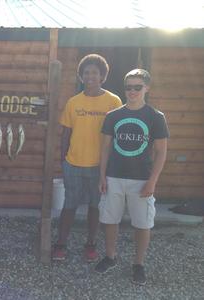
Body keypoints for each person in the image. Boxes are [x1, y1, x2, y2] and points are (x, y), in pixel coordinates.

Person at [95, 69, 169, 285]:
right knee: (109, 220)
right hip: (114, 177)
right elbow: (105, 148)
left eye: (138, 87)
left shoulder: (156, 117)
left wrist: (153, 180)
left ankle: (138, 264)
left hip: (142, 179)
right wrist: (102, 176)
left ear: (147, 88)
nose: (133, 91)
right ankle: (110, 257)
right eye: (129, 87)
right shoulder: (113, 116)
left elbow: (161, 151)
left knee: (142, 223)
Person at [52, 54, 122, 262]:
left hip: (99, 167)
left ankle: (91, 244)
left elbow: (117, 135)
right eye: (86, 73)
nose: (90, 76)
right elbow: (65, 134)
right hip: (73, 164)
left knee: (95, 206)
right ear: (81, 76)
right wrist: (63, 160)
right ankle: (61, 244)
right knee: (69, 205)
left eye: (95, 72)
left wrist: (111, 165)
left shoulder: (113, 101)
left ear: (103, 76)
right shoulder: (73, 102)